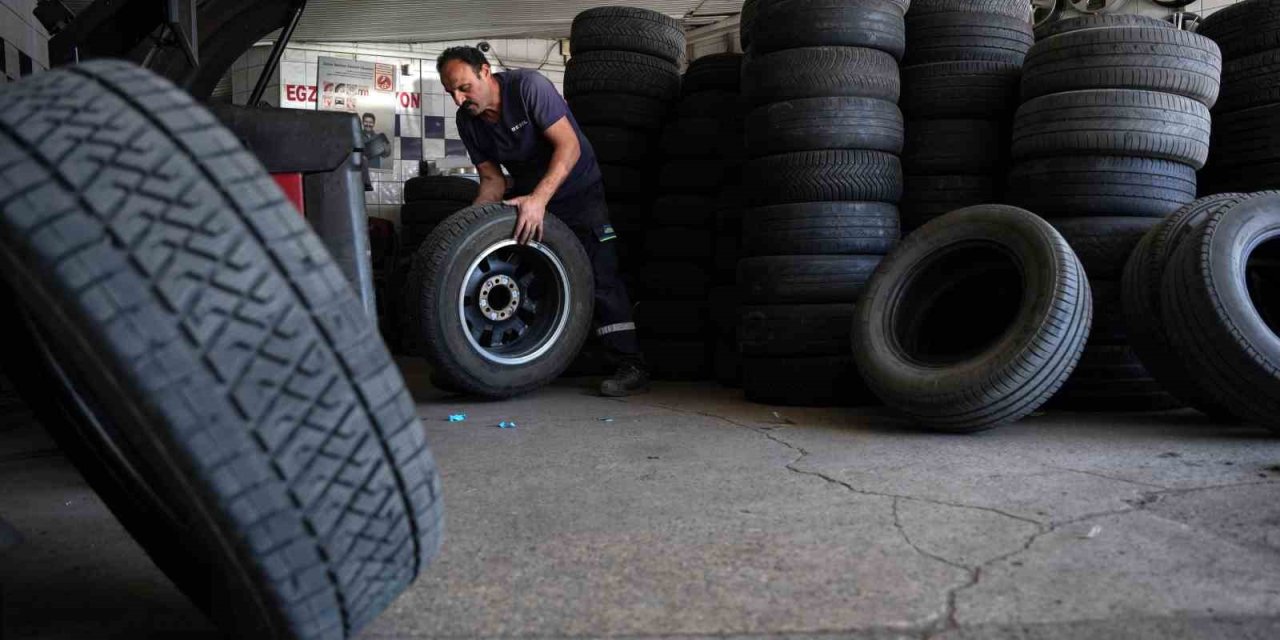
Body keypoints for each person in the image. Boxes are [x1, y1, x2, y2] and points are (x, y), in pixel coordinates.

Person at [437, 45, 649, 397]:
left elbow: (569, 146)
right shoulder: (468, 121)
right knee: (537, 276)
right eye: (451, 92)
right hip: (530, 197)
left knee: (600, 275)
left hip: (577, 192)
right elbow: (492, 181)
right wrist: (463, 234)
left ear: (485, 72)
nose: (459, 99)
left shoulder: (528, 87)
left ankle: (631, 362)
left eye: (464, 87)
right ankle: (519, 363)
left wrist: (539, 199)